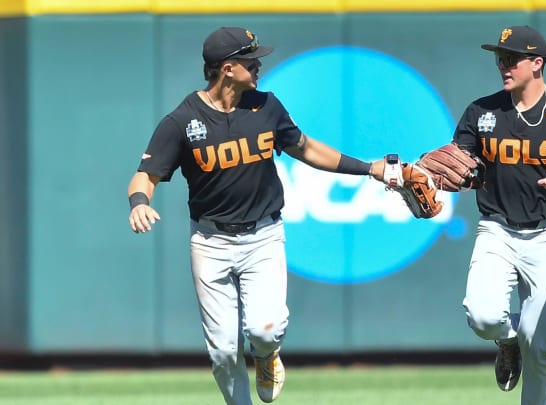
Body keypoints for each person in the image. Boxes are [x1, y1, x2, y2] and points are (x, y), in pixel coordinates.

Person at [126, 26, 386, 405]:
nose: (259, 64)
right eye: (251, 60)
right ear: (228, 68)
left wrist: (367, 169)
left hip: (263, 236)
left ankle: (266, 357)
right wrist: (139, 202)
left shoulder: (266, 106)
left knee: (265, 330)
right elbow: (145, 175)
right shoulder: (182, 121)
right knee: (222, 353)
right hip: (210, 242)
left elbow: (308, 148)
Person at [452, 25, 546, 405]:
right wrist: (435, 175)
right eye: (500, 57)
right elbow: (458, 164)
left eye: (512, 58)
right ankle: (507, 337)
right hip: (496, 228)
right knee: (483, 318)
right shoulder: (481, 111)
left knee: (541, 345)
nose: (503, 64)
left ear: (537, 63)